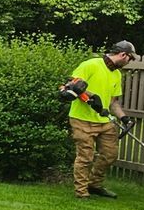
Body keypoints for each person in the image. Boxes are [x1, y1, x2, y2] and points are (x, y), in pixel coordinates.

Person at [58, 41, 137, 199]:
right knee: (85, 157)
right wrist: (92, 97)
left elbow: (113, 102)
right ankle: (81, 192)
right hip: (82, 119)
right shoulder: (91, 64)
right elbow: (72, 85)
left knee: (110, 154)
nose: (130, 62)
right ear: (123, 55)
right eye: (130, 58)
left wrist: (124, 118)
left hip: (104, 121)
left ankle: (94, 184)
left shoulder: (116, 74)